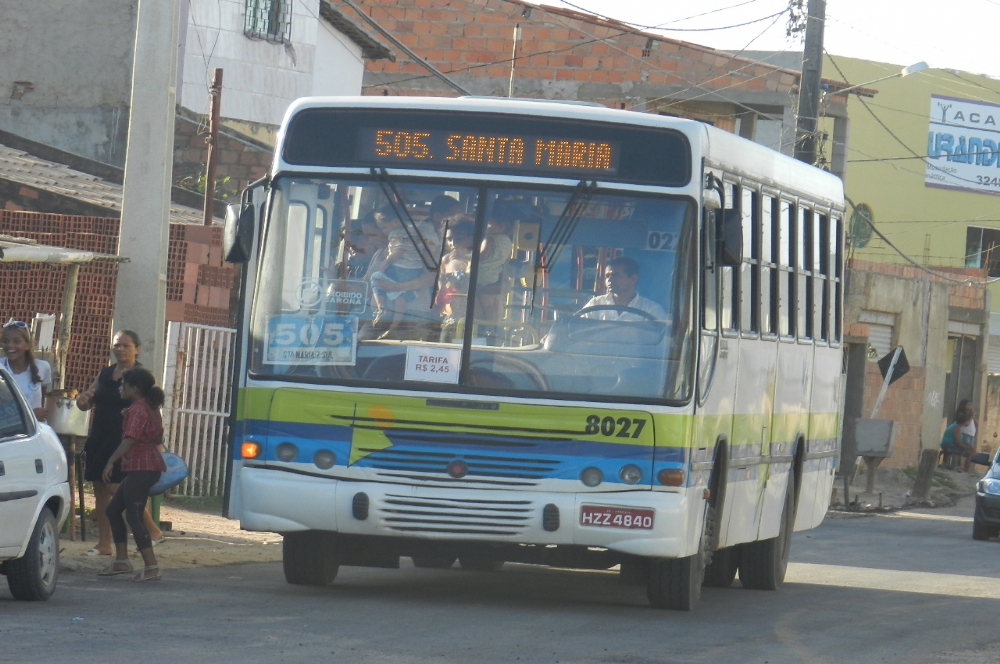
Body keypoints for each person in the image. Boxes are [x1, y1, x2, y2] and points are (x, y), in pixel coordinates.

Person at [76, 330, 162, 556]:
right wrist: (82, 400)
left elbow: (151, 409)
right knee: (100, 491)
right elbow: (88, 401)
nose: (120, 349)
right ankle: (105, 544)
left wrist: (155, 444)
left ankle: (153, 531)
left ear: (137, 349)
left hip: (126, 440)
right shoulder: (105, 374)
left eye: (125, 345)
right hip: (100, 437)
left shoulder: (141, 376)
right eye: (117, 345)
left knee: (120, 489)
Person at [98, 367, 166, 582]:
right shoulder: (148, 407)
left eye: (123, 384)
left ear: (134, 389)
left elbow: (130, 439)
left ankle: (152, 566)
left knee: (133, 516)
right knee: (113, 510)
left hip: (142, 467)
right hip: (145, 466)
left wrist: (111, 460)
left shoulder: (137, 408)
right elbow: (156, 437)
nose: (120, 387)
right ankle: (121, 561)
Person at [368, 209, 440, 338]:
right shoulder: (379, 253)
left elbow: (429, 279)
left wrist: (396, 288)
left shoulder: (415, 249)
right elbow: (366, 284)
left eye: (372, 235)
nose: (370, 241)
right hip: (375, 318)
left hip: (411, 318)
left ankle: (392, 327)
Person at [580, 257, 667, 321]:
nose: (609, 280)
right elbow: (578, 330)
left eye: (615, 275)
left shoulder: (652, 310)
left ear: (633, 279)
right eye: (607, 276)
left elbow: (661, 341)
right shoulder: (595, 304)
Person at [0, 320, 51, 421]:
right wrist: (31, 415)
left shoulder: (42, 367)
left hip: (36, 432)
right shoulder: (1, 368)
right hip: (7, 433)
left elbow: (41, 403)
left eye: (16, 341)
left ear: (28, 345)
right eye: (5, 341)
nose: (10, 345)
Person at [956, 398, 978, 471]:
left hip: (971, 435)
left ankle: (966, 470)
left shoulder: (970, 414)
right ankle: (960, 467)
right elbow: (966, 424)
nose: (970, 406)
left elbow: (977, 424)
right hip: (964, 434)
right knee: (964, 451)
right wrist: (971, 416)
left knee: (971, 453)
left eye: (970, 405)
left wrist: (973, 416)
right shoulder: (962, 414)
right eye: (968, 405)